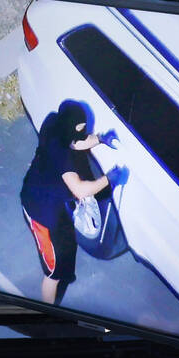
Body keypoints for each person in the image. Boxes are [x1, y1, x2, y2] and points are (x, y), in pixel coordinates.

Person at [20, 99, 125, 305]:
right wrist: (108, 180)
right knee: (53, 273)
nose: (83, 132)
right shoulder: (62, 155)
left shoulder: (54, 122)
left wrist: (100, 139)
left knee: (64, 248)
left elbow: (77, 141)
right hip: (41, 213)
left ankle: (62, 271)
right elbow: (79, 189)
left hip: (51, 202)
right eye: (80, 128)